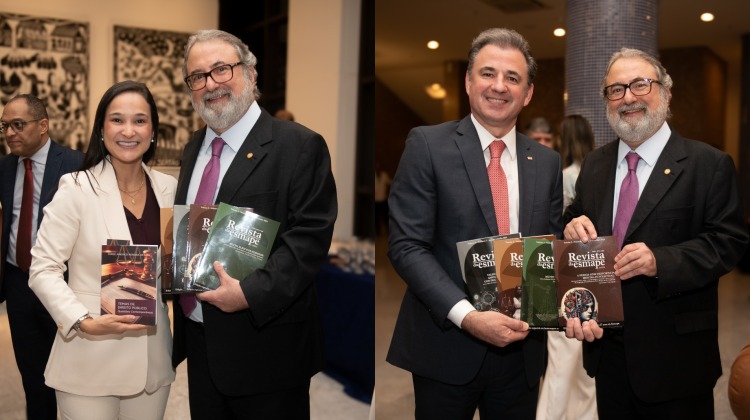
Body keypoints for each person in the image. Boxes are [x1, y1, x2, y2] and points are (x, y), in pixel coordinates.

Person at [563, 47, 749, 418]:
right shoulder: (597, 165)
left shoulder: (708, 164)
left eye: (639, 84)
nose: (628, 97)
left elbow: (728, 242)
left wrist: (659, 260)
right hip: (608, 355)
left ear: (665, 91)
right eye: (616, 89)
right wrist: (569, 224)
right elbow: (577, 215)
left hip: (676, 360)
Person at [387, 28, 563, 419]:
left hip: (522, 353)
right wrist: (467, 315)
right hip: (446, 344)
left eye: (512, 77)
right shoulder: (427, 145)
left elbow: (547, 248)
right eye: (487, 73)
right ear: (468, 82)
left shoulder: (547, 162)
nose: (499, 86)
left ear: (528, 92)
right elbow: (407, 246)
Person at [172, 29, 337, 419]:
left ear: (250, 74)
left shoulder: (299, 146)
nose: (210, 84)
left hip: (268, 351)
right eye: (198, 76)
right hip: (200, 342)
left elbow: (308, 243)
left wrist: (248, 293)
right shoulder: (193, 147)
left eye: (221, 69)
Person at [27, 81, 176, 419]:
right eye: (117, 120)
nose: (128, 130)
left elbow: (172, 266)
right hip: (88, 360)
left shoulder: (168, 189)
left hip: (152, 362)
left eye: (140, 120)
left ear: (153, 130)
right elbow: (43, 268)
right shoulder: (76, 188)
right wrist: (82, 320)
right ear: (101, 129)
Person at [0, 94, 83, 420]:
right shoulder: (5, 167)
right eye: (5, 126)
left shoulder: (76, 163)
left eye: (18, 125)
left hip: (63, 284)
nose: (9, 133)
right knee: (33, 379)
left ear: (43, 125)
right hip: (19, 283)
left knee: (72, 378)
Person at [537, 114, 598, 420]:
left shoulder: (562, 175)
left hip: (562, 270)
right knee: (586, 363)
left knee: (560, 358)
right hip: (592, 273)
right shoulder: (598, 174)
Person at [374, 160, 391, 235]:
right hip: (376, 201)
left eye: (379, 167)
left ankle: (388, 231)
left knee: (386, 217)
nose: (377, 168)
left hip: (384, 200)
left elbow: (390, 183)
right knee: (376, 218)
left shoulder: (384, 175)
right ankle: (378, 232)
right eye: (376, 167)